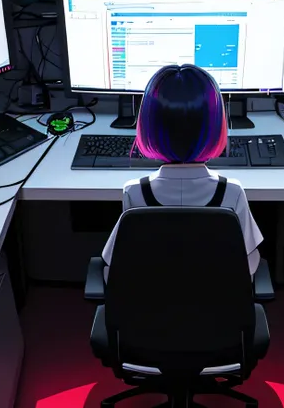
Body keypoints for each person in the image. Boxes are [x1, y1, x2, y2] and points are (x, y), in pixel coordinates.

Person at [102, 64, 263, 277]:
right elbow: (249, 266)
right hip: (216, 308)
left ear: (148, 126)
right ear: (216, 126)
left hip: (151, 308)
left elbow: (116, 266)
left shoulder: (134, 192)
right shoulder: (232, 193)